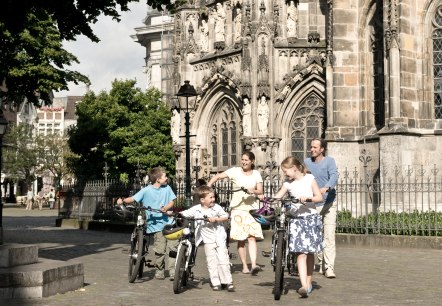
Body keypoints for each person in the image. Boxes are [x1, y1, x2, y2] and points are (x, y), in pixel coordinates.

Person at [261, 156, 323, 298]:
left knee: (309, 252)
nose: (284, 173)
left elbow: (319, 197)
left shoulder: (309, 179)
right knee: (300, 253)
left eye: (285, 170)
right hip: (296, 220)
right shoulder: (288, 184)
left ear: (294, 168)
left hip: (310, 218)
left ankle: (308, 282)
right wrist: (266, 199)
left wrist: (307, 198)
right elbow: (277, 199)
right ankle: (303, 286)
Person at [207, 151, 263, 275]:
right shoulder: (235, 171)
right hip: (237, 209)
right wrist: (209, 186)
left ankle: (253, 264)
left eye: (246, 160)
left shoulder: (256, 174)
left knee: (252, 237)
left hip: (252, 209)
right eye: (242, 159)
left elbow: (260, 191)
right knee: (241, 239)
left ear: (252, 161)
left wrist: (253, 190)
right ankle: (244, 265)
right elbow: (217, 176)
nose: (243, 162)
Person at [117, 167, 178, 281]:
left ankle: (173, 271)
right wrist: (123, 200)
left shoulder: (167, 188)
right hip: (156, 224)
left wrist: (166, 208)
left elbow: (172, 201)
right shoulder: (147, 190)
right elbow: (134, 198)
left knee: (172, 247)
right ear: (158, 179)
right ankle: (160, 270)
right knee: (160, 249)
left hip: (169, 222)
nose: (167, 178)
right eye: (164, 176)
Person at [179, 185, 234, 291]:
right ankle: (215, 282)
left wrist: (216, 219)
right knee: (211, 261)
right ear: (202, 200)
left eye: (214, 197)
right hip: (208, 240)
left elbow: (226, 216)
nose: (213, 199)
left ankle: (227, 281)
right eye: (210, 198)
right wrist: (173, 213)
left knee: (223, 259)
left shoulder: (217, 207)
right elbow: (184, 213)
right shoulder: (197, 209)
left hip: (219, 237)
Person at [304, 138, 339, 279]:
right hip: (314, 204)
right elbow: (300, 176)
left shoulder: (329, 161)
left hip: (329, 203)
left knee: (329, 236)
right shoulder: (307, 162)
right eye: (311, 147)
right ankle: (320, 261)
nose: (312, 149)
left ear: (322, 149)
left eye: (315, 147)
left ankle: (329, 267)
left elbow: (335, 175)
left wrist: (327, 187)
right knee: (316, 236)